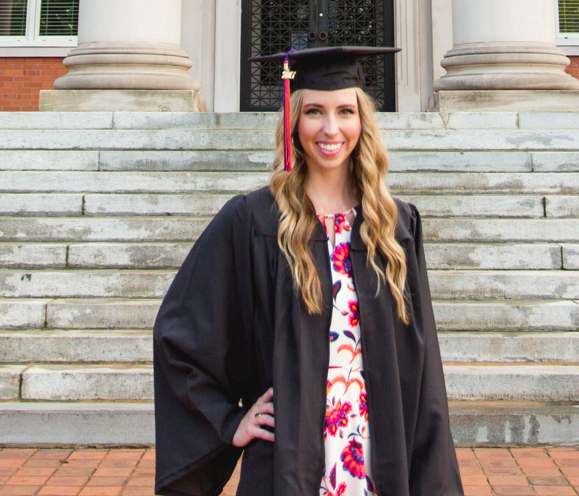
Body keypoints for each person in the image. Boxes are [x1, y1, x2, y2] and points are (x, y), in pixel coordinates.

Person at [152, 45, 460, 496]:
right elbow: (179, 334)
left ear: (362, 122)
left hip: (382, 466)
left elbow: (423, 369)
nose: (331, 129)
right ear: (294, 121)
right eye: (314, 111)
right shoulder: (254, 221)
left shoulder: (394, 226)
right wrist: (230, 420)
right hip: (289, 469)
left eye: (345, 112)